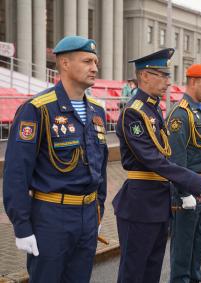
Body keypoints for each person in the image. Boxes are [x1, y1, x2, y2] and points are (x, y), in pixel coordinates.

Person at [3, 36, 108, 282]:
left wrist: (98, 211)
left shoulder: (97, 110)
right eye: (87, 61)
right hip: (51, 217)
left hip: (88, 216)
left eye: (95, 61)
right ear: (64, 64)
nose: (94, 67)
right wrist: (22, 225)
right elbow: (17, 172)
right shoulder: (37, 109)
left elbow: (100, 168)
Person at [112, 48, 201, 283]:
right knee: (134, 272)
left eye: (168, 76)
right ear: (145, 76)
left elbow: (167, 155)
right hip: (140, 202)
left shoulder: (153, 109)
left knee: (152, 270)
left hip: (157, 199)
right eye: (162, 75)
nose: (168, 82)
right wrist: (195, 182)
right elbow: (153, 159)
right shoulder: (134, 112)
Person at [166, 64, 201, 283]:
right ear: (194, 82)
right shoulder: (180, 114)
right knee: (183, 250)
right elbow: (176, 159)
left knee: (197, 247)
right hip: (188, 193)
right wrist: (184, 192)